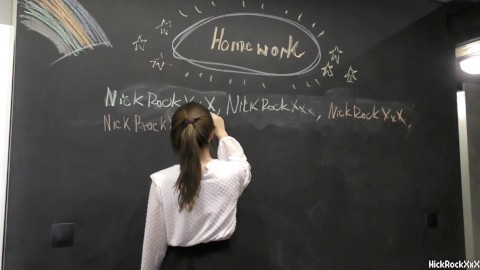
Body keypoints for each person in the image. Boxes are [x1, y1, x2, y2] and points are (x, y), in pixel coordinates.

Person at [141, 102, 251, 270]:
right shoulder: (232, 173)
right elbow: (241, 164)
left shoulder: (162, 181)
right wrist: (223, 134)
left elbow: (153, 244)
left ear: (176, 138)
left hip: (178, 264)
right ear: (210, 135)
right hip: (221, 263)